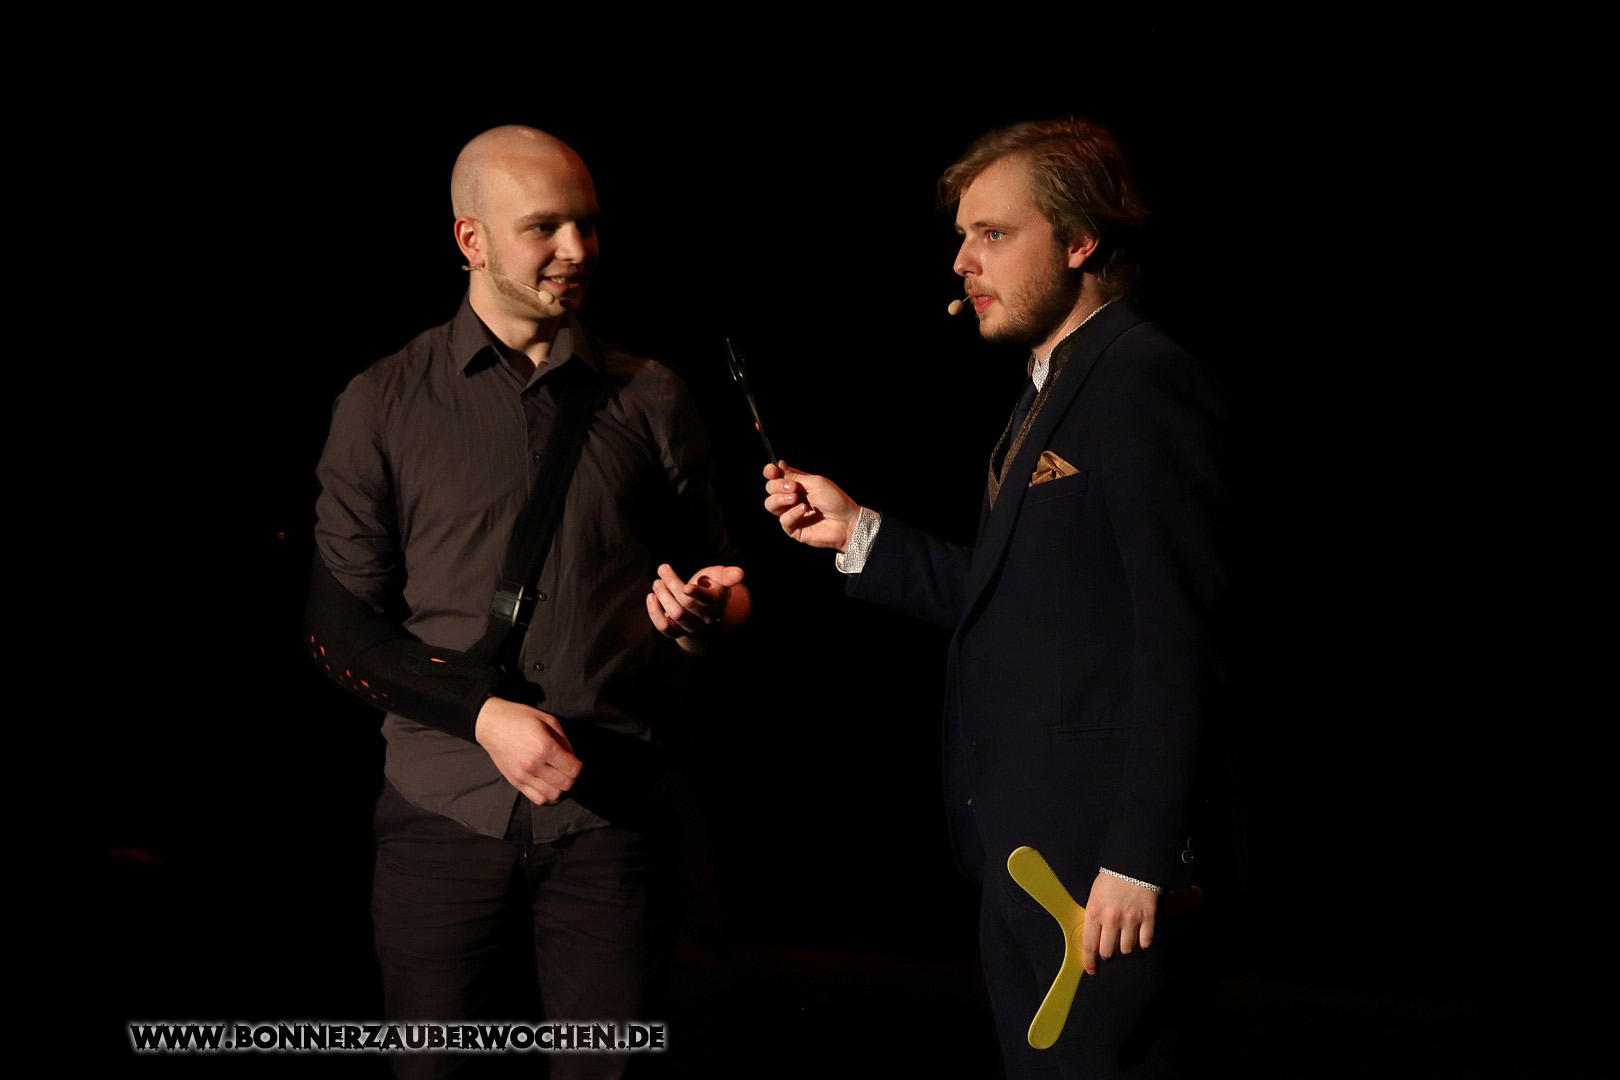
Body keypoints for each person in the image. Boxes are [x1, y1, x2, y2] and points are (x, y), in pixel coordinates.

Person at [764, 118, 1226, 1078]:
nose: (963, 261)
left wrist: (1142, 855)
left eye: (994, 234)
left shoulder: (1142, 379)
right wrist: (858, 534)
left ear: (1080, 238)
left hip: (1103, 874)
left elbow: (1184, 637)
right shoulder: (1048, 388)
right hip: (1028, 854)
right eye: (963, 237)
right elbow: (1027, 604)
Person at [308, 125, 747, 1079]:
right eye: (543, 227)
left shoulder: (651, 396)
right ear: (470, 239)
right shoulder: (381, 403)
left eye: (587, 225)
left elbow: (722, 576)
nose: (577, 250)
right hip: (440, 817)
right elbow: (341, 630)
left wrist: (711, 617)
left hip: (610, 821)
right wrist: (483, 715)